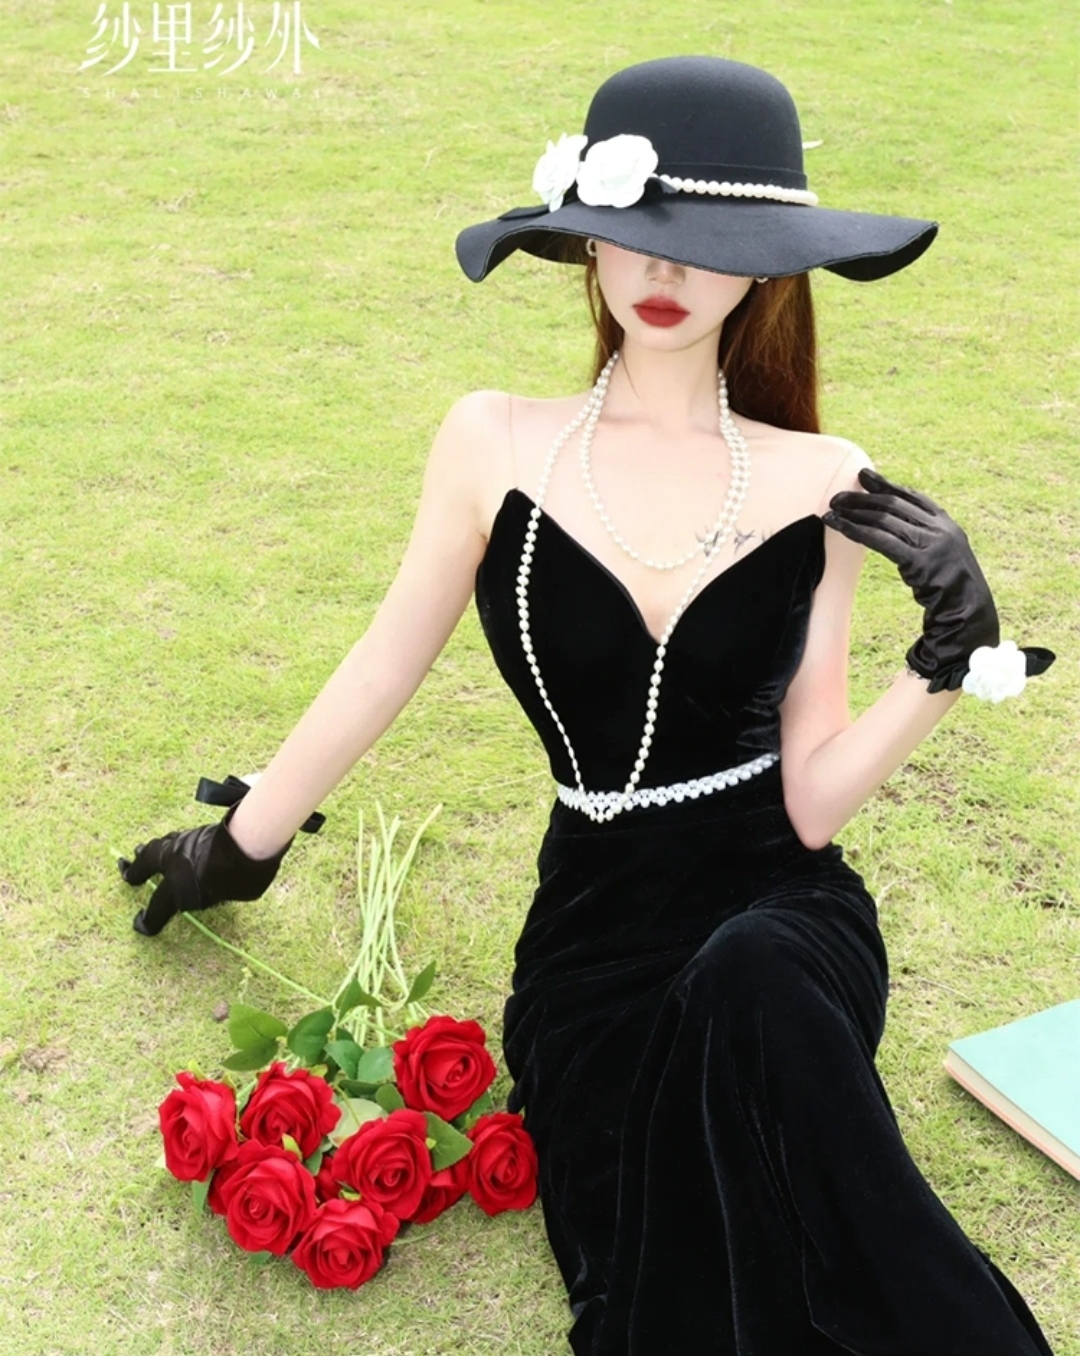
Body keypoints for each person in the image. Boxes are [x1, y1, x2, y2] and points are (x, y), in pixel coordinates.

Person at [120, 57, 1057, 1354]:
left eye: (709, 245)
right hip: (594, 944)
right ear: (585, 239)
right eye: (637, 235)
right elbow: (384, 663)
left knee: (757, 975)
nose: (665, 271)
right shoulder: (493, 440)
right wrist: (239, 847)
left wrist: (944, 663)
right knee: (660, 1224)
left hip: (785, 905)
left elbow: (811, 800)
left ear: (766, 270)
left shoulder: (823, 478)